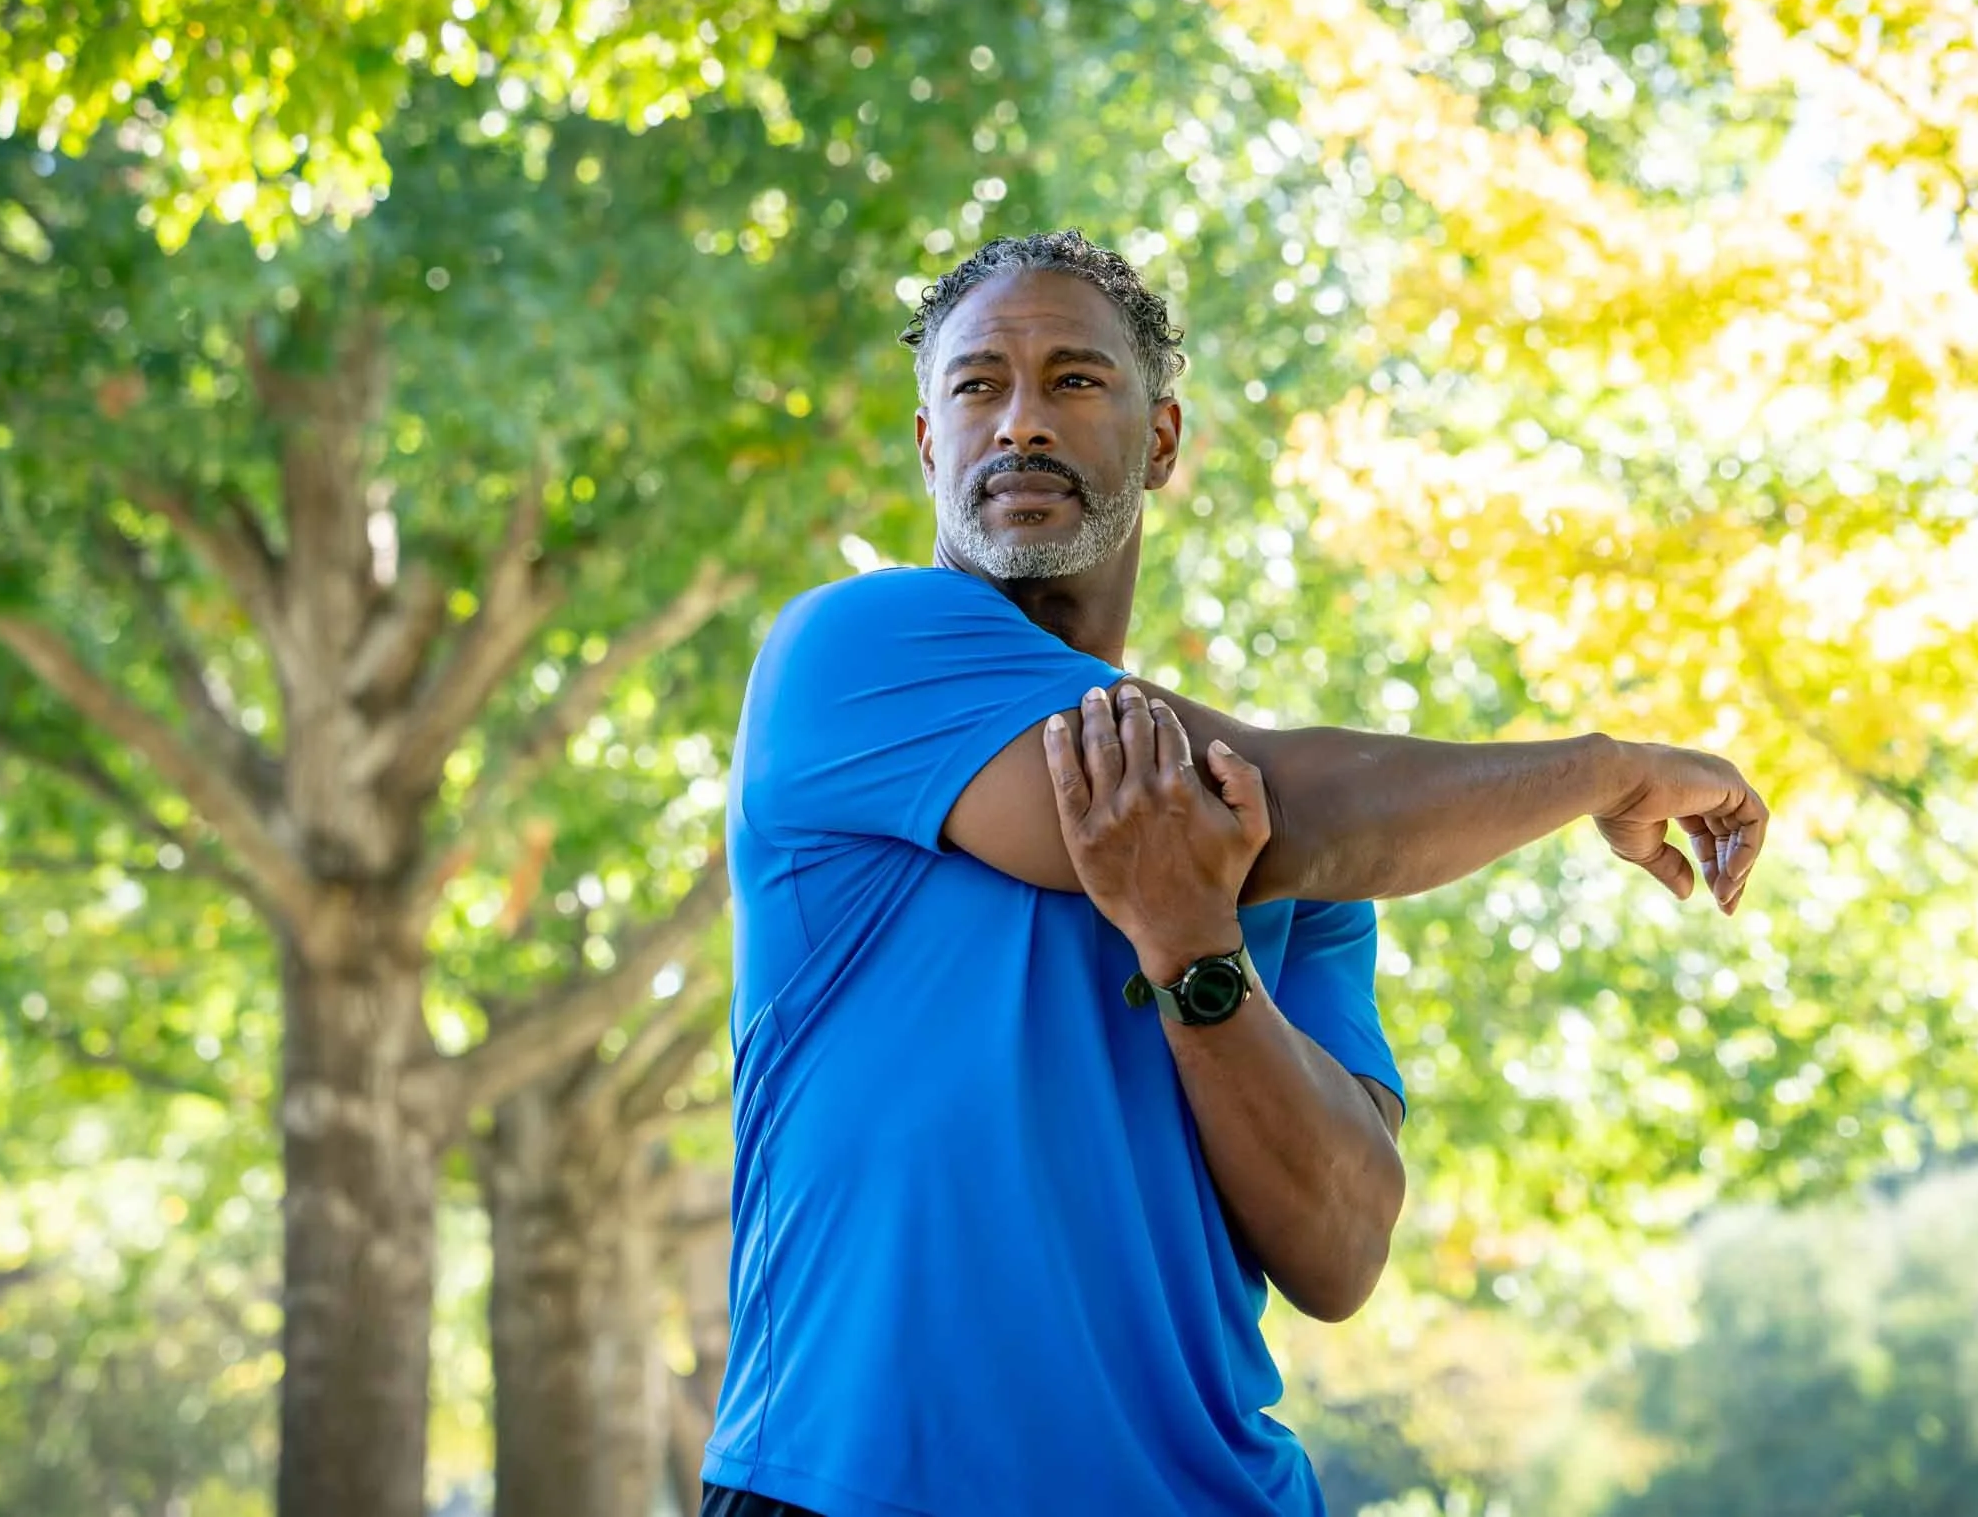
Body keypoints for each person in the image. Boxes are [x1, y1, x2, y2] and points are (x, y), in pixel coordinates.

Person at [700, 231, 1769, 1517]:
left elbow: (1338, 1245)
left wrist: (1196, 953)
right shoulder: (851, 650)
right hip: (853, 1487)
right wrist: (1602, 768)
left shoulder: (1314, 852)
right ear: (930, 444)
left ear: (1159, 440)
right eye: (978, 387)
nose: (1020, 422)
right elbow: (1284, 800)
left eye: (1075, 381)